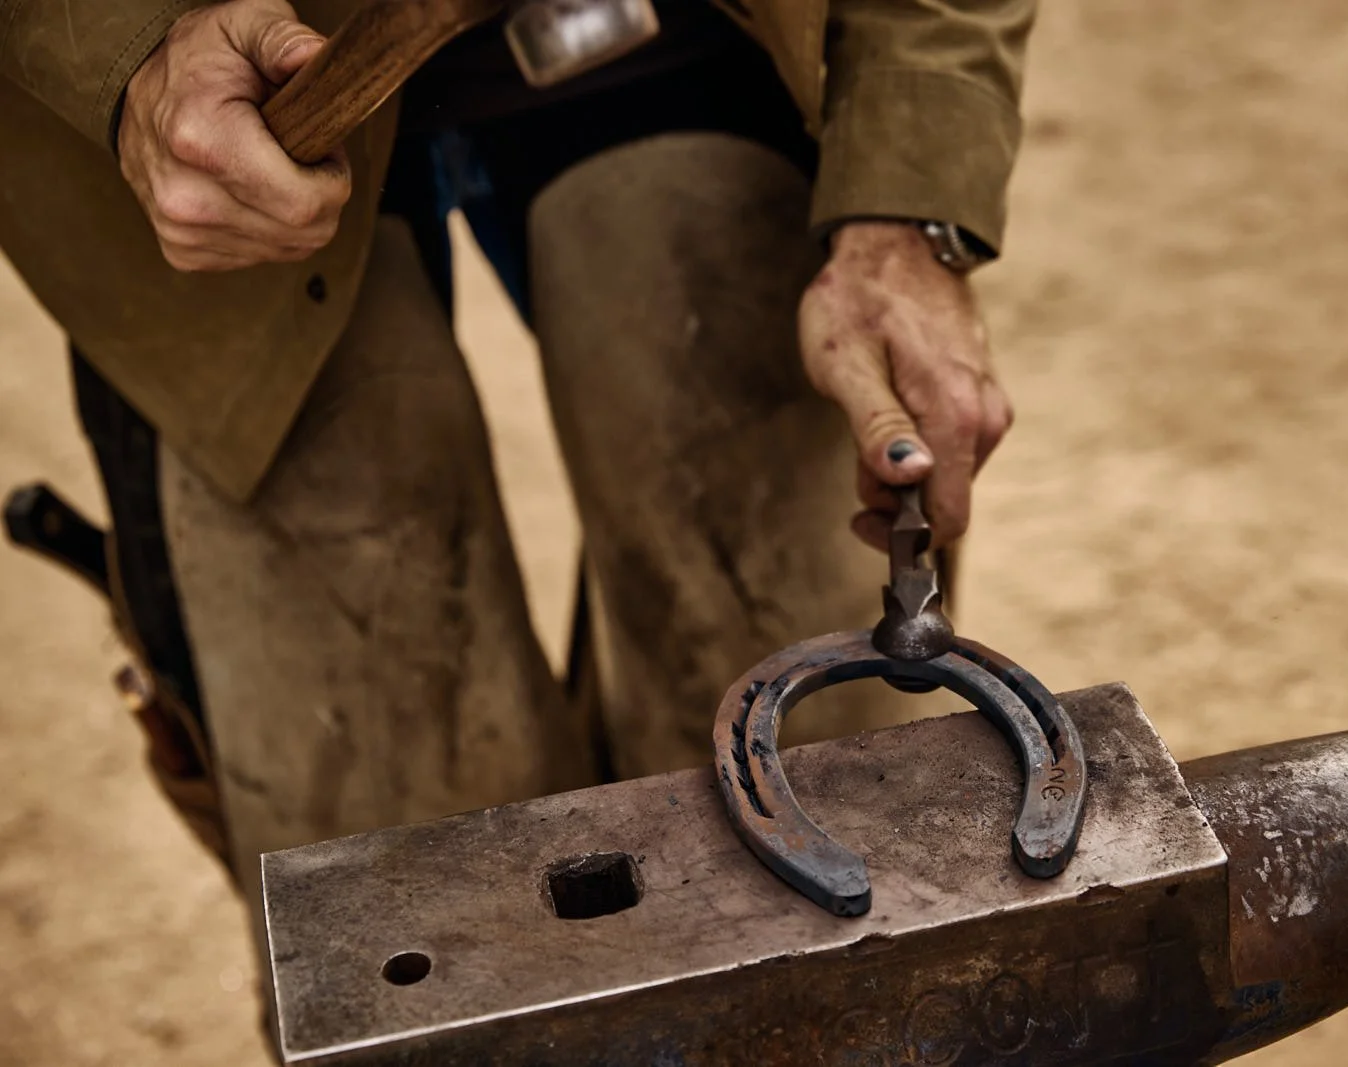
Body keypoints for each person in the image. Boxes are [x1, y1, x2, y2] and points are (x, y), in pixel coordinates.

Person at [0, 0, 1034, 1008]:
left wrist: (910, 191)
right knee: (390, 871)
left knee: (824, 789)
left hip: (691, 36)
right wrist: (126, 49)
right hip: (235, 80)